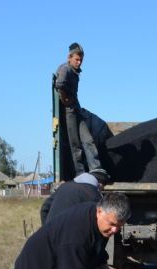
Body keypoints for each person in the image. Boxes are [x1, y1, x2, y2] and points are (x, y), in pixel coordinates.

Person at [55, 42, 104, 177]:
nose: (79, 62)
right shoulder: (65, 69)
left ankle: (96, 169)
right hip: (69, 112)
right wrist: (65, 99)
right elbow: (59, 84)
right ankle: (80, 173)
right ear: (69, 57)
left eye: (81, 60)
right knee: (75, 144)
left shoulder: (75, 72)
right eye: (77, 59)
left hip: (76, 110)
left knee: (88, 139)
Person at [40, 169, 109, 225]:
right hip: (70, 239)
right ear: (100, 184)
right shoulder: (94, 194)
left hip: (50, 236)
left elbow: (44, 209)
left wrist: (46, 229)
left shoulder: (64, 186)